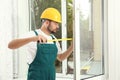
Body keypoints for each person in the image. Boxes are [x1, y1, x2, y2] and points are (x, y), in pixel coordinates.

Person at [8, 7, 73, 80]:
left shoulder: (54, 39)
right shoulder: (33, 34)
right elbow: (10, 45)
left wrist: (72, 47)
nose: (57, 26)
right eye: (55, 23)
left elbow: (61, 57)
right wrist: (32, 39)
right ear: (46, 23)